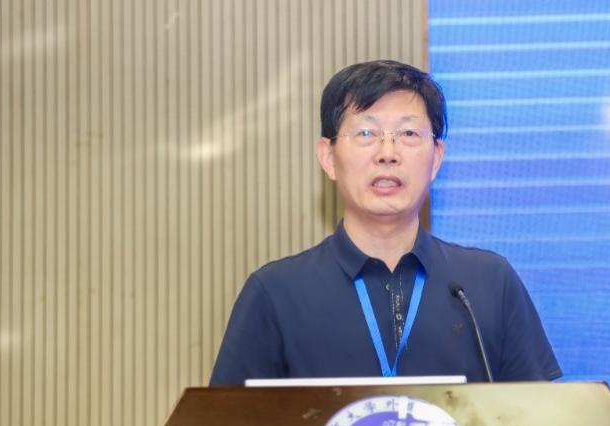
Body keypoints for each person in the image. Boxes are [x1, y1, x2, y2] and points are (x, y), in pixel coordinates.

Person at [210, 60, 560, 384]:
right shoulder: (276, 293)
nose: (387, 153)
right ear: (328, 157)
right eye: (366, 133)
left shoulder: (489, 283)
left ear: (436, 157)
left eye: (408, 134)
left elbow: (536, 420)